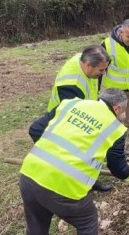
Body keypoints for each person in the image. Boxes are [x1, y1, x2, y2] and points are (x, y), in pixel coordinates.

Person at [19, 88, 129, 235]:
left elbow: (36, 128)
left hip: (29, 174)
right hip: (61, 185)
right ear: (117, 109)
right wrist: (128, 176)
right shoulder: (115, 128)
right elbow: (116, 165)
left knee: (37, 227)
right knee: (87, 220)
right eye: (123, 112)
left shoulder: (70, 104)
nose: (122, 116)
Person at [47, 44, 113, 192]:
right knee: (77, 152)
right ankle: (80, 183)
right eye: (101, 70)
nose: (103, 73)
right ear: (88, 65)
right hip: (64, 119)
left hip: (82, 109)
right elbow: (72, 115)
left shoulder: (84, 61)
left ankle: (88, 179)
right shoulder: (72, 84)